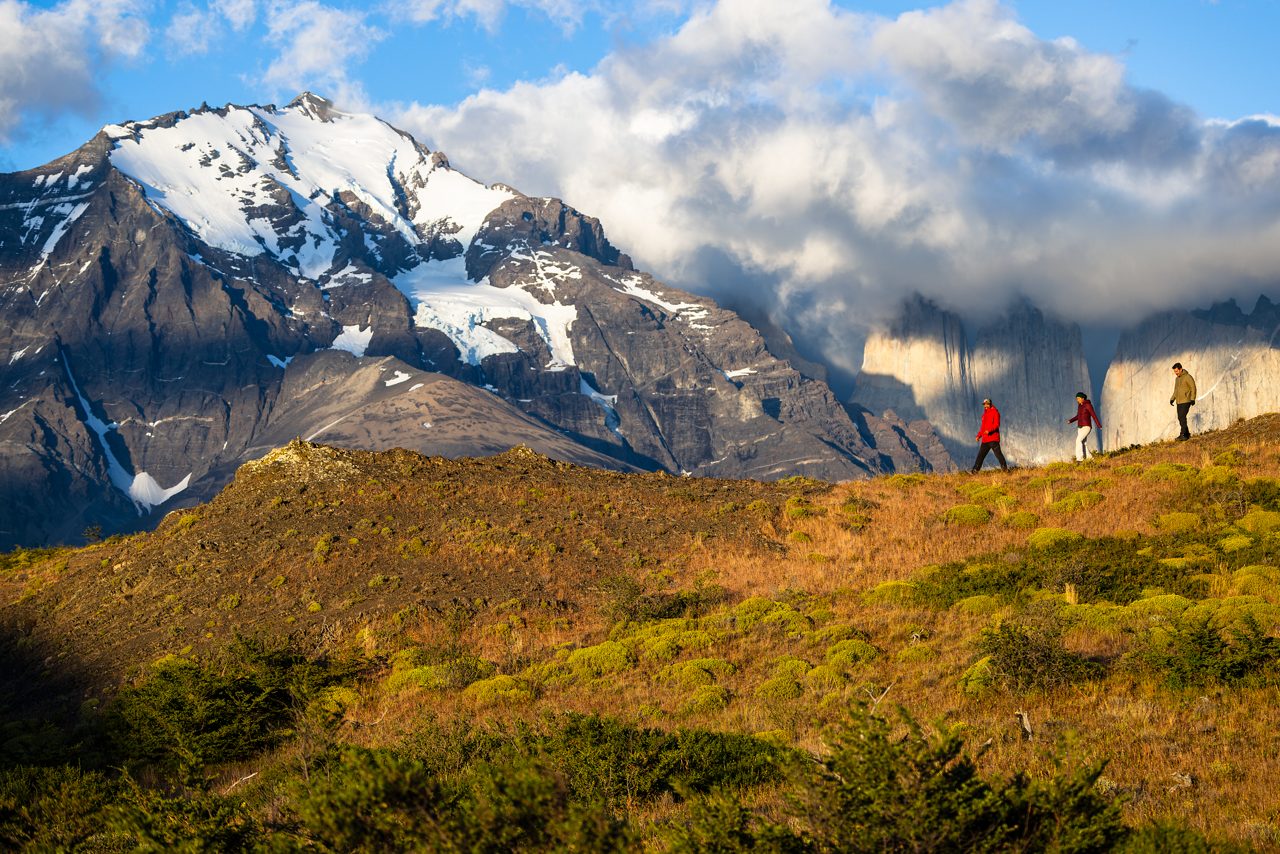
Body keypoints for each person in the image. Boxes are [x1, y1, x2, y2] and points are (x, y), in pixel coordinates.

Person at [971, 397, 1008, 473]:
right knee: (980, 455)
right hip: (985, 440)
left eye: (987, 404)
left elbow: (997, 425)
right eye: (984, 404)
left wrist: (989, 431)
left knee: (998, 455)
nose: (986, 406)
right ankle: (975, 470)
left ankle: (1005, 469)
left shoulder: (995, 412)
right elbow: (983, 427)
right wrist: (979, 435)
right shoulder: (984, 415)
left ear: (990, 404)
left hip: (993, 439)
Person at [1067, 392, 1101, 461]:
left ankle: (1080, 459)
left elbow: (1093, 415)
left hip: (1086, 426)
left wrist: (1098, 425)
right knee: (1083, 443)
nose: (1077, 400)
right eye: (1077, 399)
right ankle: (1090, 458)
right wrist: (1071, 420)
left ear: (1083, 398)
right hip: (1080, 427)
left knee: (1078, 440)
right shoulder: (1080, 406)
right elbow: (1078, 416)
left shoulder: (1088, 405)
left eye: (1078, 398)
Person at [1169, 362, 1197, 441]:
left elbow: (1193, 387)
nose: (1175, 373)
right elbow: (1176, 390)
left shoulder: (1188, 377)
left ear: (1181, 369)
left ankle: (1183, 434)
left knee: (1182, 417)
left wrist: (1192, 398)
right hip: (1179, 401)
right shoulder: (1177, 379)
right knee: (1180, 418)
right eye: (1175, 371)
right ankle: (1186, 434)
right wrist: (1172, 399)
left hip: (1186, 400)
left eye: (1177, 371)